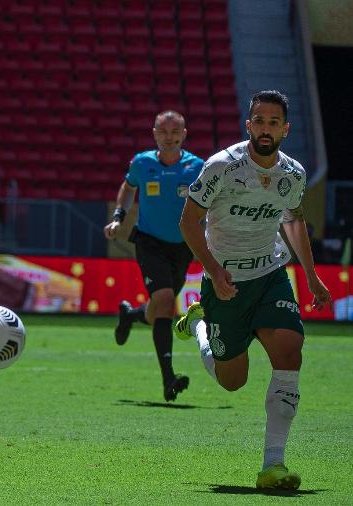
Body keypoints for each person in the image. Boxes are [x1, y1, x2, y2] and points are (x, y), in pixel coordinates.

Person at [175, 90, 331, 490]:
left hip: (270, 274)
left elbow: (293, 221)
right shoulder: (222, 166)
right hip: (224, 283)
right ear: (249, 125)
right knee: (233, 381)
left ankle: (273, 465)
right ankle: (200, 327)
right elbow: (189, 222)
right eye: (259, 121)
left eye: (273, 122)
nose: (265, 129)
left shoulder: (293, 174)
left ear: (285, 129)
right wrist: (213, 269)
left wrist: (311, 275)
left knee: (289, 350)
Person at [103, 110, 204, 401]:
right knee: (164, 301)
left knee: (158, 307)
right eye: (164, 131)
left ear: (184, 134)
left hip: (183, 246)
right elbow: (127, 187)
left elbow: (210, 201)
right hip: (149, 242)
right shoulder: (142, 163)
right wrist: (119, 217)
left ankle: (131, 315)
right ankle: (168, 379)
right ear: (155, 134)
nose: (169, 137)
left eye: (176, 132)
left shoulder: (197, 167)